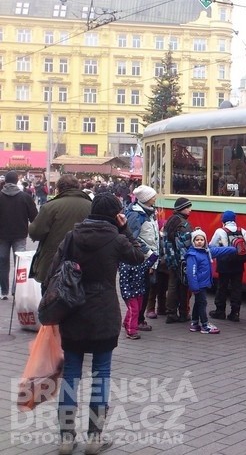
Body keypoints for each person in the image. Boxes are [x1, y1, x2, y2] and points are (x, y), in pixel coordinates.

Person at [49, 192, 151, 454]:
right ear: (115, 215)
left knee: (71, 374)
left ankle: (66, 438)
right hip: (104, 313)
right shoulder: (117, 239)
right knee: (101, 375)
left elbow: (52, 272)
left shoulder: (72, 237)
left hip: (73, 312)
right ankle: (94, 438)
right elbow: (141, 256)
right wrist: (125, 228)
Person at [29, 175, 93, 292]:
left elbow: (35, 232)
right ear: (78, 187)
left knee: (51, 300)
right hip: (86, 261)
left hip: (53, 262)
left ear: (58, 188)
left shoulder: (50, 207)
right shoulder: (91, 206)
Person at [119, 185, 160, 338]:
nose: (155, 199)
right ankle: (136, 322)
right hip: (142, 260)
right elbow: (133, 238)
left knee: (145, 290)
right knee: (141, 291)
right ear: (145, 199)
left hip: (149, 259)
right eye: (153, 196)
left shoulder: (149, 212)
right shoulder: (136, 215)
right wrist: (148, 254)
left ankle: (132, 321)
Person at [185, 228, 237, 334]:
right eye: (197, 240)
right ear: (193, 241)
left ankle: (195, 323)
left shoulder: (207, 251)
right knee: (202, 303)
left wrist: (233, 249)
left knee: (198, 303)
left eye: (202, 239)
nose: (199, 242)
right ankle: (205, 325)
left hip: (203, 284)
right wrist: (194, 287)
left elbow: (220, 251)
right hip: (198, 285)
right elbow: (191, 273)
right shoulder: (192, 255)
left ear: (205, 241)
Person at [0, 170, 38, 299]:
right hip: (20, 234)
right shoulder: (25, 197)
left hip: (1, 236)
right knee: (19, 264)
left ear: (5, 181)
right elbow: (34, 217)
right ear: (17, 181)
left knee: (2, 263)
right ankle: (17, 291)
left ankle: (3, 291)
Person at [209, 210, 246, 322]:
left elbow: (212, 246)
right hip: (238, 263)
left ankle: (220, 311)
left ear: (223, 220)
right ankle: (235, 313)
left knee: (222, 287)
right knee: (236, 288)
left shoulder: (220, 231)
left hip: (224, 263)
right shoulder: (242, 231)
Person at [163, 197, 193, 323]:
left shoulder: (170, 221)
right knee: (184, 287)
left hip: (170, 259)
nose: (190, 210)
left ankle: (170, 312)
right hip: (181, 260)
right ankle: (183, 313)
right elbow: (187, 244)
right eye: (188, 207)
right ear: (182, 209)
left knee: (172, 285)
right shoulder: (184, 224)